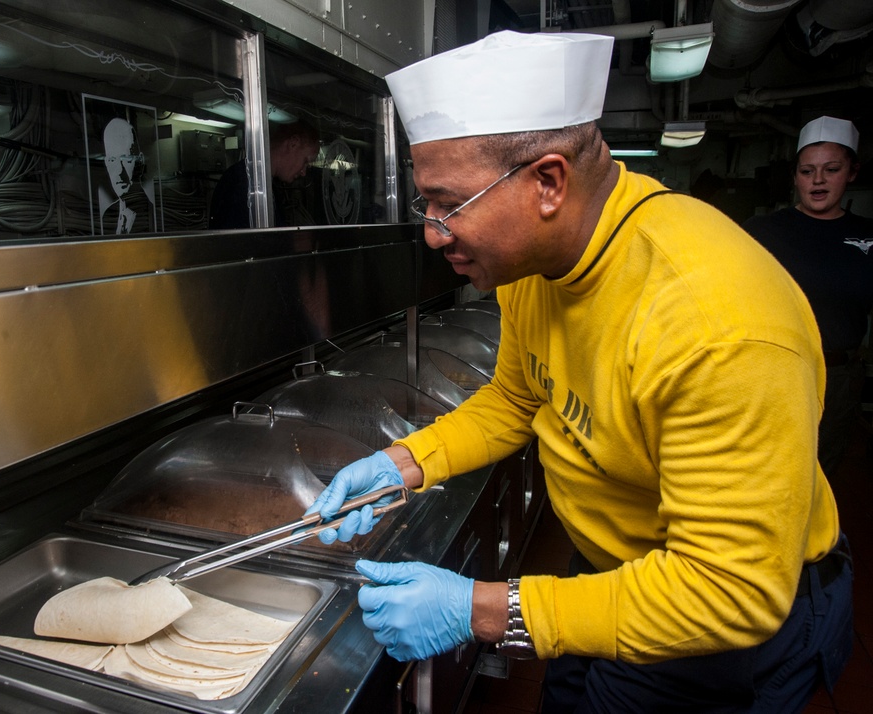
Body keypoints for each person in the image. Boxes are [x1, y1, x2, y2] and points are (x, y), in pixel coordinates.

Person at [304, 30, 853, 713]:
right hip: (612, 570)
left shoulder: (718, 323)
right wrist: (402, 462)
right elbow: (515, 398)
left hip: (713, 623)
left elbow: (731, 592)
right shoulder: (534, 265)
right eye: (428, 205)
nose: (434, 231)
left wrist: (482, 610)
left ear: (548, 183)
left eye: (451, 204)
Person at [743, 116, 873, 477]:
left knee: (821, 471)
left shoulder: (866, 236)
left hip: (839, 376)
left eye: (831, 169)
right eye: (807, 171)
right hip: (774, 370)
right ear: (795, 176)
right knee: (766, 465)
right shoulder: (763, 231)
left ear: (852, 172)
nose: (818, 180)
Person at [208, 120, 320, 229]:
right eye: (305, 161)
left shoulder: (266, 183)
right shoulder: (241, 183)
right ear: (293, 143)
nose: (303, 172)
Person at [98, 117, 156, 234]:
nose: (119, 171)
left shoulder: (154, 217)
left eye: (126, 159)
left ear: (140, 162)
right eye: (112, 160)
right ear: (106, 163)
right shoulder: (108, 217)